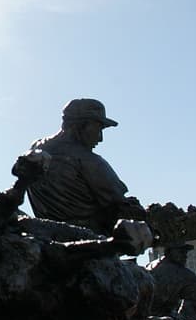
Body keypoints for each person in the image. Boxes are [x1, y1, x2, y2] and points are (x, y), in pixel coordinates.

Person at [12, 98, 145, 233]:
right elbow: (122, 210)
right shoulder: (90, 162)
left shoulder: (36, 149)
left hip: (46, 239)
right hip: (91, 245)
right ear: (80, 125)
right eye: (98, 129)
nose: (100, 138)